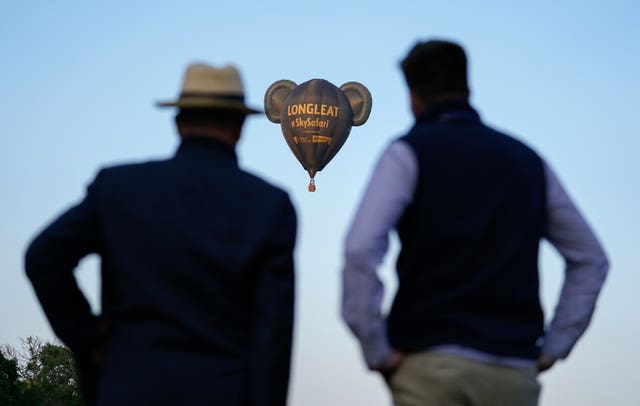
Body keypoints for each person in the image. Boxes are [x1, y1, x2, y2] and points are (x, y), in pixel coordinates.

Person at [341, 39, 609, 406]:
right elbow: (591, 258)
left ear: (413, 97)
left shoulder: (407, 153)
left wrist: (376, 347)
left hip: (431, 363)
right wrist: (556, 344)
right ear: (468, 90)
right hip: (512, 372)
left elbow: (359, 250)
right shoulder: (528, 161)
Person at [25, 63, 297, 406]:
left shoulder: (118, 188)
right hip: (223, 391)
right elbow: (273, 333)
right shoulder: (270, 206)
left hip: (130, 387)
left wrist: (89, 338)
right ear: (240, 127)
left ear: (178, 122)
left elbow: (43, 257)